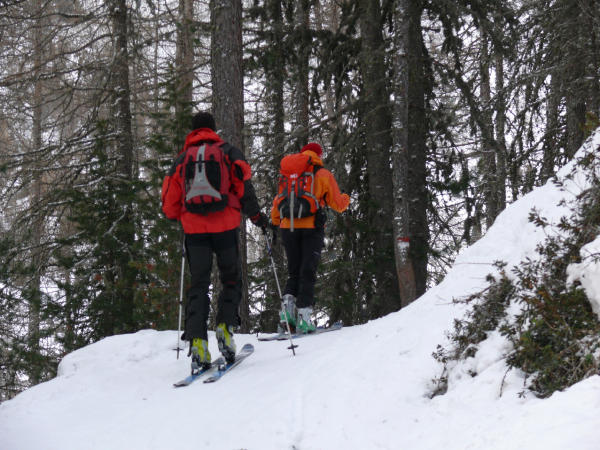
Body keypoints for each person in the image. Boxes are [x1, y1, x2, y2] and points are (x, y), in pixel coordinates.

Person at [162, 111, 268, 372]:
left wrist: (184, 215)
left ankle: (198, 342)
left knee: (199, 284)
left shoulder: (181, 160)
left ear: (192, 131)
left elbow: (169, 206)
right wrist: (257, 217)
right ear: (213, 129)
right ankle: (225, 327)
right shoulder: (228, 152)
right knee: (231, 278)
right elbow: (244, 187)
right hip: (225, 226)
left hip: (194, 231)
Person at [271, 142, 350, 333]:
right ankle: (304, 317)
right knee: (308, 271)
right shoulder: (322, 174)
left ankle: (287, 314)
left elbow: (278, 201)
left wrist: (275, 221)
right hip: (311, 228)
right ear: (318, 155)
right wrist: (347, 198)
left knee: (294, 272)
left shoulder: (288, 175)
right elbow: (338, 204)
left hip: (288, 227)